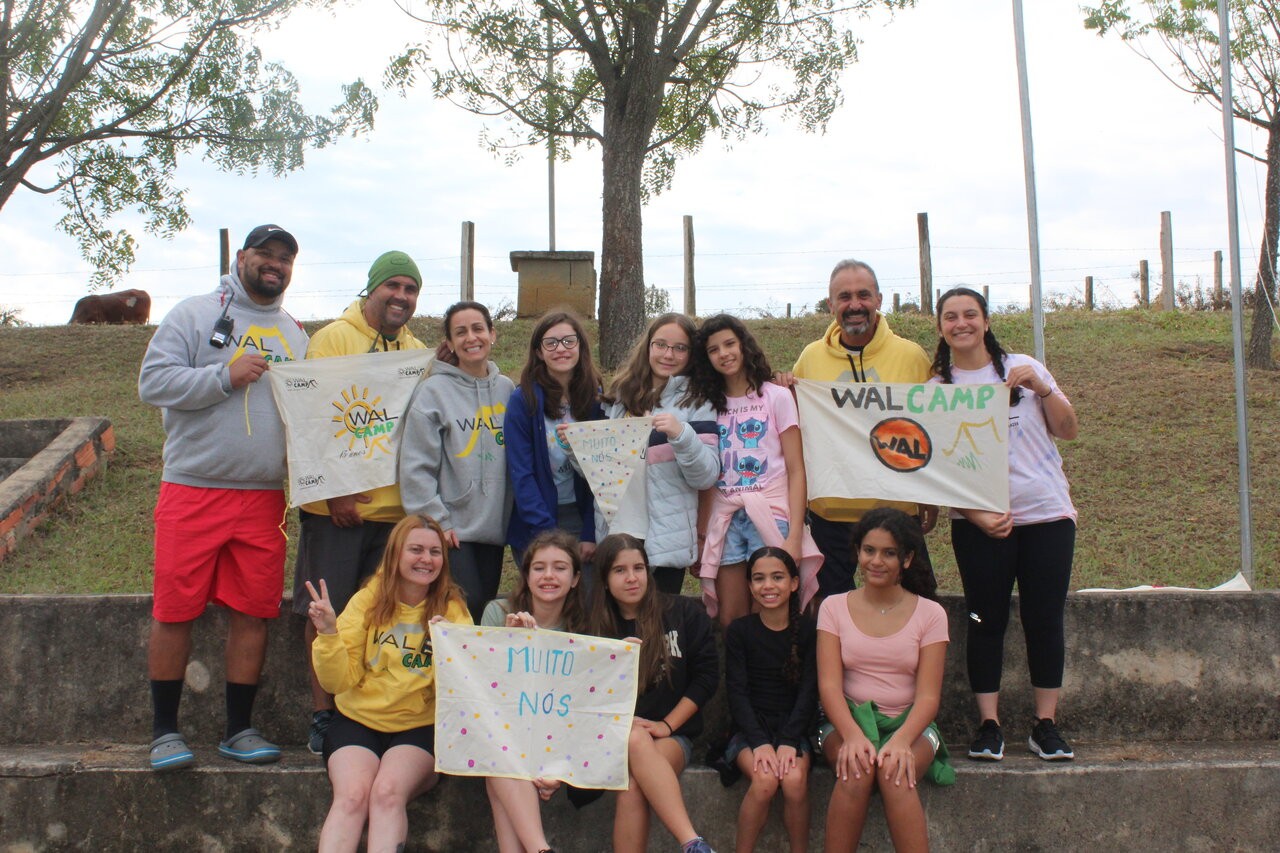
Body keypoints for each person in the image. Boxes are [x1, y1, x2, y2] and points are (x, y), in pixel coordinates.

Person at [138, 223, 308, 771]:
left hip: (263, 497)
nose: (274, 264)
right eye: (265, 253)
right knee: (175, 610)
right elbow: (152, 383)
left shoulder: (295, 333)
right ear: (241, 257)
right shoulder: (193, 314)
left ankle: (239, 729)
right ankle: (165, 731)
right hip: (192, 488)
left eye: (285, 258)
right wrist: (223, 376)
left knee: (254, 612)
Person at [931, 286, 1080, 762]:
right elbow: (933, 466)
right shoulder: (937, 389)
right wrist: (975, 514)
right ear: (941, 327)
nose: (961, 323)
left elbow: (1068, 429)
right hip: (979, 523)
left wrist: (1043, 388)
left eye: (970, 314)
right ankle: (989, 725)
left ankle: (1045, 725)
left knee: (1044, 618)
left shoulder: (1024, 368)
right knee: (984, 619)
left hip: (1046, 515)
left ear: (986, 321)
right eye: (951, 316)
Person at [293, 250, 429, 754]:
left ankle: (366, 714)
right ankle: (323, 714)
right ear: (371, 288)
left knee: (378, 617)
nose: (401, 296)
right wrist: (335, 492)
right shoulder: (333, 338)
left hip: (395, 514)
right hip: (337, 512)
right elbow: (310, 418)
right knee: (324, 612)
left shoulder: (416, 350)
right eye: (393, 285)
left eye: (410, 289)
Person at [306, 514, 471, 852]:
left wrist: (448, 649)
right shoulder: (368, 600)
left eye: (435, 552)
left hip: (419, 726)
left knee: (386, 793)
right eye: (416, 550)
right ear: (396, 553)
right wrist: (329, 634)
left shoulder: (452, 609)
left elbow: (463, 690)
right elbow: (337, 681)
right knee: (352, 796)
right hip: (358, 721)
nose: (426, 559)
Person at [785, 260, 937, 598]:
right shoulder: (810, 358)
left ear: (879, 299)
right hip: (830, 511)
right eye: (845, 297)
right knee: (830, 608)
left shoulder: (911, 356)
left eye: (863, 295)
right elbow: (795, 418)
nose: (855, 304)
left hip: (896, 508)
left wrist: (931, 494)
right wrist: (782, 387)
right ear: (830, 305)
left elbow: (931, 428)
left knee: (918, 602)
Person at [816, 508, 953, 853]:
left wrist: (902, 741)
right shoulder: (833, 607)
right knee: (856, 770)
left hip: (910, 725)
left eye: (889, 553)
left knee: (895, 773)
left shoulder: (931, 614)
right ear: (857, 553)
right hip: (846, 720)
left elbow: (928, 697)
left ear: (907, 559)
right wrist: (851, 735)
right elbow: (829, 686)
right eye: (869, 550)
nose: (876, 561)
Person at [686, 313, 821, 626]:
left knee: (771, 612)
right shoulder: (706, 405)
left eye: (729, 344)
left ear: (744, 345)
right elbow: (706, 475)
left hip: (771, 513)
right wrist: (701, 533)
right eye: (713, 349)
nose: (724, 353)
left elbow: (796, 469)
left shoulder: (776, 396)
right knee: (730, 618)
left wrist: (795, 536)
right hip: (725, 518)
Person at [589, 533, 719, 853]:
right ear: (604, 579)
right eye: (620, 570)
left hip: (671, 737)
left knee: (634, 786)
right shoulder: (593, 626)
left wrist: (667, 725)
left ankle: (692, 844)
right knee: (634, 737)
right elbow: (584, 691)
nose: (632, 578)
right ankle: (692, 842)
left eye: (638, 568)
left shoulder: (682, 613)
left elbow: (706, 678)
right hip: (609, 739)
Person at [400, 300, 514, 620]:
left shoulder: (507, 389)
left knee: (482, 607)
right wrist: (437, 520)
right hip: (452, 530)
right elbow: (416, 466)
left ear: (493, 334)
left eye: (478, 329)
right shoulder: (433, 392)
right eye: (460, 332)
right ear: (449, 343)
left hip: (494, 527)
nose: (471, 338)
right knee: (464, 606)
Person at [480, 529, 586, 853]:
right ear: (526, 576)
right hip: (503, 731)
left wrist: (561, 770)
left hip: (556, 738)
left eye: (560, 568)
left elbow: (584, 706)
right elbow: (485, 691)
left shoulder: (584, 627)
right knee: (501, 750)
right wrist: (509, 643)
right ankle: (541, 849)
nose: (548, 575)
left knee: (500, 764)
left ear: (575, 578)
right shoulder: (498, 613)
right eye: (539, 568)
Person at [602, 313, 721, 596]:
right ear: (648, 346)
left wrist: (681, 435)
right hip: (618, 531)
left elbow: (706, 476)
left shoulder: (698, 402)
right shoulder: (620, 396)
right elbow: (600, 469)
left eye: (680, 348)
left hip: (666, 536)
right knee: (617, 618)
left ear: (691, 354)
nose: (668, 354)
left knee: (661, 616)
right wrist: (574, 450)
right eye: (661, 345)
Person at [723, 547, 818, 853]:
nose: (768, 586)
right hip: (750, 731)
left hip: (793, 729)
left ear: (794, 583)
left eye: (777, 577)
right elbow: (737, 693)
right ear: (750, 586)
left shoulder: (809, 631)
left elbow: (809, 692)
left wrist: (789, 740)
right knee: (765, 781)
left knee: (793, 780)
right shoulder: (740, 631)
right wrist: (760, 742)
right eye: (759, 578)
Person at [505, 310, 603, 568]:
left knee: (585, 591)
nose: (561, 349)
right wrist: (545, 534)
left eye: (569, 341)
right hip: (536, 520)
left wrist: (591, 531)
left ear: (580, 346)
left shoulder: (595, 398)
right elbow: (521, 473)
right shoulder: (523, 400)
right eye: (551, 343)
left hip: (582, 517)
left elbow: (601, 470)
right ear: (539, 352)